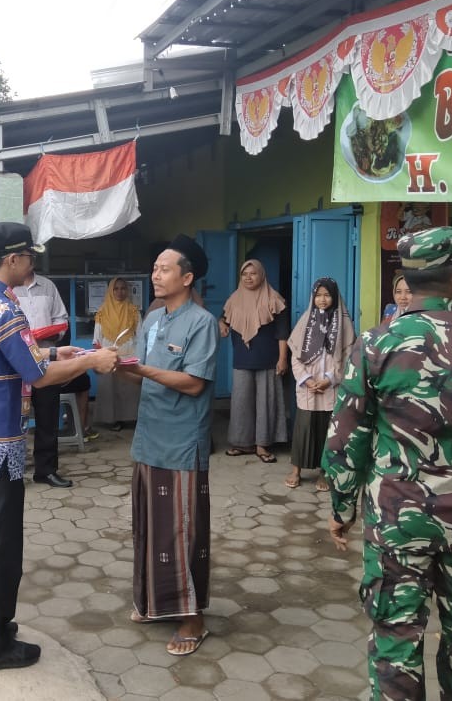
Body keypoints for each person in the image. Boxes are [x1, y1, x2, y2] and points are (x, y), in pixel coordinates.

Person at [324, 226, 452, 701]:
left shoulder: (375, 345)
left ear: (409, 279)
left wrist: (342, 506)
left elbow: (344, 438)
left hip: (397, 519)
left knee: (395, 639)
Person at [0, 221, 116, 672]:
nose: (32, 265)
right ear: (14, 259)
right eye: (29, 257)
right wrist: (93, 361)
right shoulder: (5, 309)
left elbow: (6, 357)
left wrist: (53, 353)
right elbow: (36, 379)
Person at [118, 234, 217, 657]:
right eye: (154, 268)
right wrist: (111, 363)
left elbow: (194, 384)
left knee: (183, 531)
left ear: (187, 277)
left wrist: (141, 368)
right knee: (148, 528)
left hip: (181, 443)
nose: (155, 275)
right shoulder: (153, 319)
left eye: (164, 268)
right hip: (149, 440)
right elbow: (140, 372)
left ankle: (193, 618)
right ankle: (156, 604)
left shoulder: (202, 323)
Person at [286, 277, 355, 489]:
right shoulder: (306, 320)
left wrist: (329, 379)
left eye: (327, 295)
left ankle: (323, 472)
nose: (322, 300)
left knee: (328, 430)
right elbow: (295, 355)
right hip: (308, 386)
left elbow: (348, 355)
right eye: (318, 295)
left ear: (334, 297)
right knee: (303, 428)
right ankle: (296, 470)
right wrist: (306, 379)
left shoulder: (343, 323)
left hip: (330, 387)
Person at [220, 259, 289, 463]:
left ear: (262, 275)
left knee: (266, 403)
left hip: (268, 359)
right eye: (244, 274)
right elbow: (223, 317)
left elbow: (282, 333)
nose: (248, 278)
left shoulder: (275, 299)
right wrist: (221, 324)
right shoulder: (234, 299)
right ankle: (242, 443)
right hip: (242, 359)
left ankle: (262, 445)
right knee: (241, 402)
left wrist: (282, 358)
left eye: (253, 273)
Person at [14, 267, 72, 487]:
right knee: (14, 416)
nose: (27, 260)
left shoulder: (48, 286)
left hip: (47, 360)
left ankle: (46, 471)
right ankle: (14, 471)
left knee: (48, 416)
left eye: (31, 256)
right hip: (15, 362)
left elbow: (61, 318)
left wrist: (49, 333)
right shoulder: (8, 287)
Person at [93, 276, 142, 432]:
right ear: (110, 291)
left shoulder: (133, 310)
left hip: (129, 352)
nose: (120, 292)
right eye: (116, 288)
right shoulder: (102, 311)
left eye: (123, 288)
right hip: (109, 353)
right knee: (110, 387)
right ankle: (112, 420)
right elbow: (97, 336)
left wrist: (139, 354)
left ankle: (130, 417)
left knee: (129, 387)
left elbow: (140, 334)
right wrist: (98, 355)